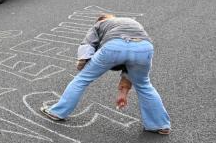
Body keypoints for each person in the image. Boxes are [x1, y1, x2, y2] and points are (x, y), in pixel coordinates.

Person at [40, 14, 171, 134]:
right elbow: (129, 59)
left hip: (114, 46)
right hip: (143, 47)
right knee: (144, 85)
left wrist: (83, 62)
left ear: (101, 20)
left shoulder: (99, 24)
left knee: (82, 79)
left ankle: (58, 112)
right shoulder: (130, 22)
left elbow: (88, 43)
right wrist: (123, 92)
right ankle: (159, 125)